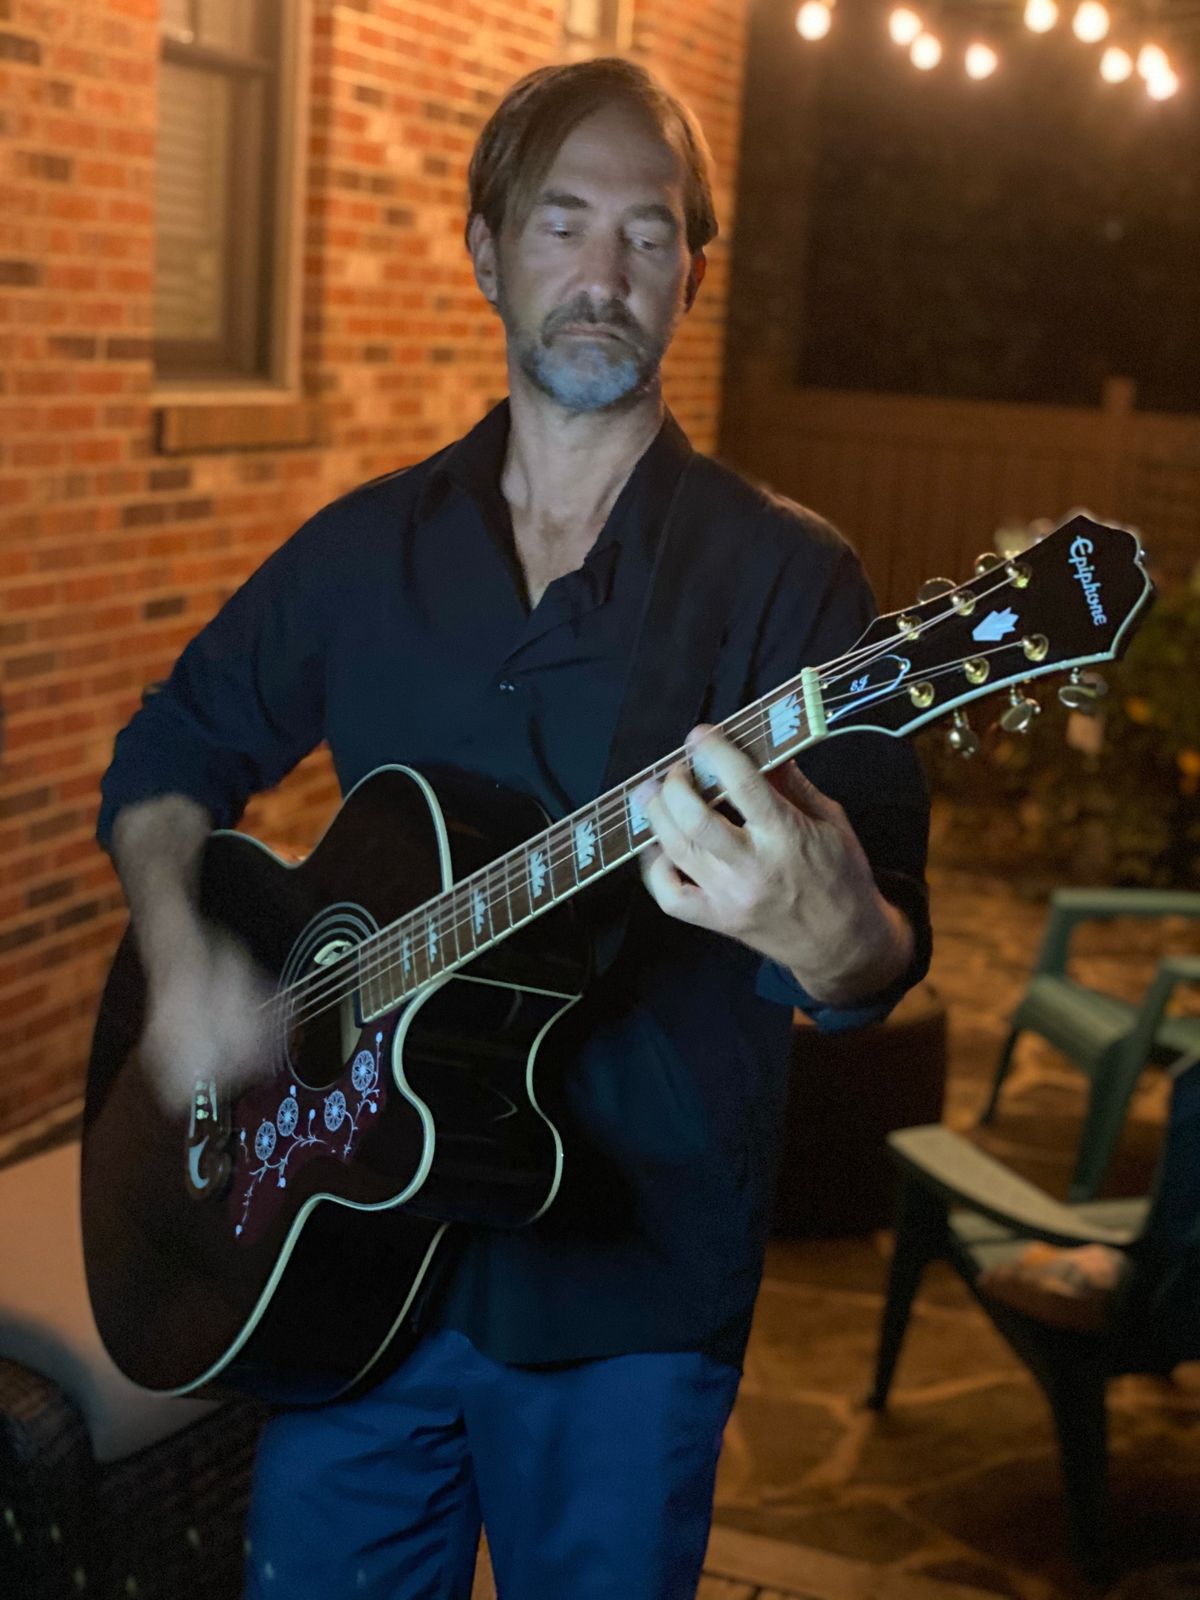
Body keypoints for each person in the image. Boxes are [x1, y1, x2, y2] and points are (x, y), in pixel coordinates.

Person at [97, 57, 931, 1600]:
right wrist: (184, 956)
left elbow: (876, 952)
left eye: (649, 232)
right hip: (344, 1267)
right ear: (487, 252)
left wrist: (838, 938)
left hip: (626, 1298)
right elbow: (168, 754)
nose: (605, 273)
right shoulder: (364, 549)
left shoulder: (789, 584)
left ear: (692, 274)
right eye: (563, 223)